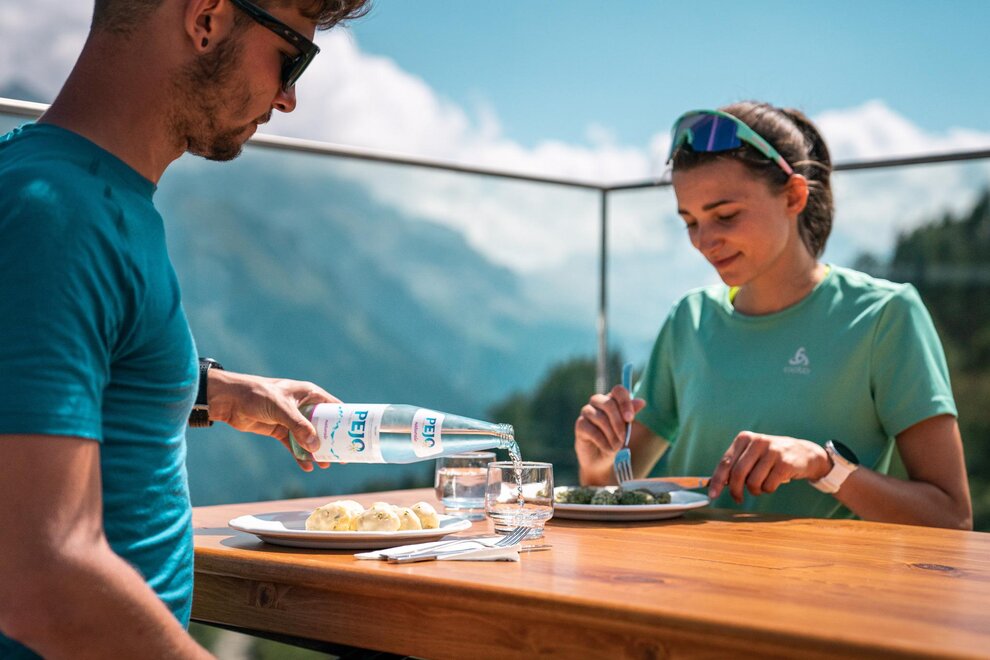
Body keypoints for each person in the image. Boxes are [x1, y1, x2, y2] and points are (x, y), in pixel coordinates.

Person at [0, 0, 370, 656]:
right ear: (207, 19)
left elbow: (54, 363)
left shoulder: (63, 185)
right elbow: (41, 579)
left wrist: (213, 392)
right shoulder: (60, 217)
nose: (288, 99)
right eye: (292, 58)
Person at [574, 101, 973, 530]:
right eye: (690, 221)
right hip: (686, 573)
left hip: (827, 575)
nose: (704, 241)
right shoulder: (689, 319)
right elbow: (617, 486)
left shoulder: (884, 316)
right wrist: (597, 462)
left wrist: (825, 466)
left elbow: (951, 518)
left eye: (726, 215)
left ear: (794, 196)